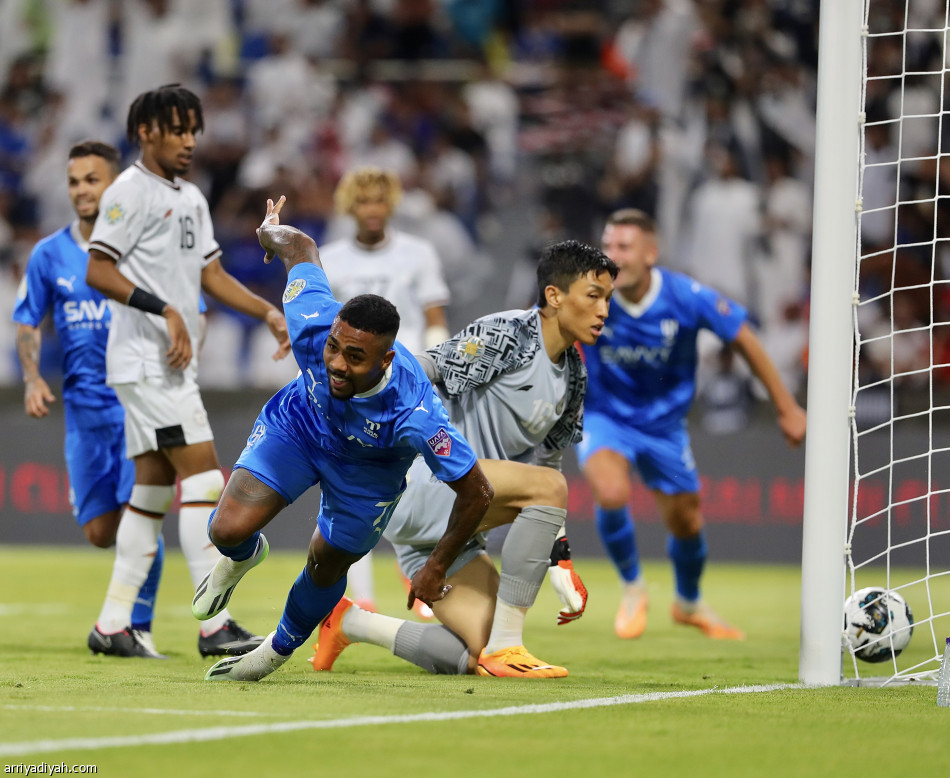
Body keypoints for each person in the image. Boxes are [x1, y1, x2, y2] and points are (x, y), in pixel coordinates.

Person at [195, 195, 494, 683]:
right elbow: (303, 248)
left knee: (327, 563)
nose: (335, 362)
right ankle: (242, 557)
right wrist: (271, 232)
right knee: (225, 531)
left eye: (354, 357)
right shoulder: (312, 320)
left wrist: (437, 565)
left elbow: (477, 490)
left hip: (367, 474)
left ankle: (272, 653)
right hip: (300, 427)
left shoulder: (416, 411)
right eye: (334, 347)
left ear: (386, 361)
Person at [307, 239, 616, 678]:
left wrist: (560, 556)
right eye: (594, 296)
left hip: (450, 531)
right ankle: (509, 647)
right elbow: (427, 366)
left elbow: (547, 465)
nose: (604, 310)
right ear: (554, 296)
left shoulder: (574, 375)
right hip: (426, 487)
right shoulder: (511, 334)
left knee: (471, 654)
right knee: (548, 492)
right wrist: (357, 401)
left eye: (608, 299)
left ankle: (352, 622)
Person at [84, 85, 291, 658]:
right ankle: (212, 625)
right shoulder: (129, 192)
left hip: (167, 366)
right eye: (177, 129)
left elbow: (213, 276)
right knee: (202, 481)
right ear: (147, 131)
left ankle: (112, 624)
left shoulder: (192, 198)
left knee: (151, 492)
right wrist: (165, 309)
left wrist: (267, 310)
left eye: (194, 130)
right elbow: (98, 270)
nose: (189, 141)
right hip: (147, 362)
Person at [580, 208, 807, 640]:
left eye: (623, 247)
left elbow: (743, 337)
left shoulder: (685, 296)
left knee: (687, 523)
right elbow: (543, 325)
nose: (611, 256)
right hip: (604, 416)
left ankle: (688, 603)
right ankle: (633, 588)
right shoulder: (589, 292)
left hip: (664, 427)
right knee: (610, 491)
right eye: (607, 246)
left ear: (650, 253)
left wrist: (787, 407)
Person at [12, 140, 166, 657]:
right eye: (74, 181)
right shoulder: (48, 254)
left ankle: (135, 625)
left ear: (114, 185)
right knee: (101, 531)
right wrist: (33, 376)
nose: (81, 190)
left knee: (140, 513)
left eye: (92, 180)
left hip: (134, 407)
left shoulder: (140, 249)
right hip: (82, 415)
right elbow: (28, 320)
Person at [319, 165, 452, 611]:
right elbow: (325, 331)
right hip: (355, 389)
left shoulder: (418, 253)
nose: (372, 210)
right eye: (363, 201)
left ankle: (414, 569)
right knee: (351, 485)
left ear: (391, 205)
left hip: (409, 386)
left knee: (415, 486)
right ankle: (363, 601)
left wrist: (437, 374)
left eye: (379, 200)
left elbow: (435, 320)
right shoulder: (331, 259)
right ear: (349, 206)